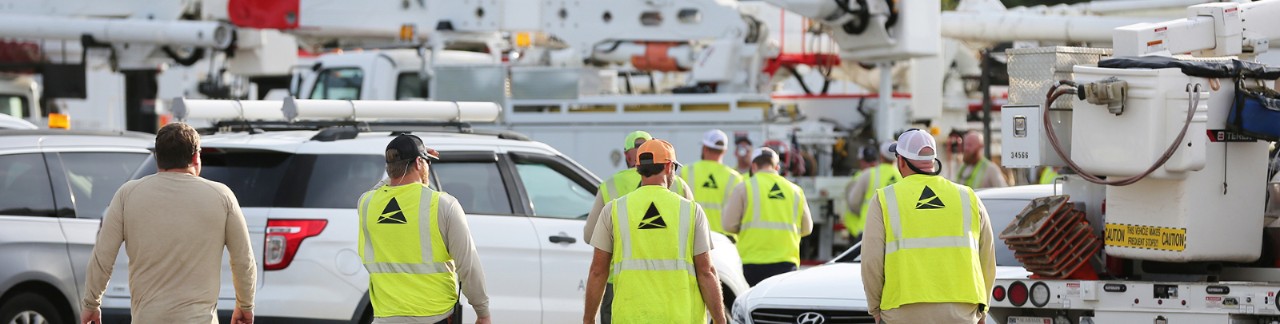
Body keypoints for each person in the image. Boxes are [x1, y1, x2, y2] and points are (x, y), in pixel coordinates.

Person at [80, 122, 256, 324]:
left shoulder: (127, 195)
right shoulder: (222, 196)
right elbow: (244, 261)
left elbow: (103, 257)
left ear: (157, 158)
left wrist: (91, 304)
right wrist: (245, 306)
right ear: (195, 157)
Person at [583, 139, 726, 324]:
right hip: (681, 317)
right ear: (668, 167)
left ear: (638, 168)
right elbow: (706, 272)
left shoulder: (614, 210)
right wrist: (720, 319)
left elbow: (597, 271)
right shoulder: (690, 211)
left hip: (630, 317)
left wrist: (588, 319)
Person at [861, 129, 996, 324]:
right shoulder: (968, 197)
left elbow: (871, 262)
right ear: (933, 160)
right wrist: (983, 308)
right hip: (961, 313)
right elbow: (988, 260)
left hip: (903, 313)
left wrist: (875, 308)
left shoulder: (885, 199)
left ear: (901, 161)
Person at [357, 134, 490, 324]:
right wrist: (482, 312)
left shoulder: (366, 204)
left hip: (384, 317)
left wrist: (398, 165)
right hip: (434, 316)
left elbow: (380, 187)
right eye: (426, 162)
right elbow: (468, 265)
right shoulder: (443, 204)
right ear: (419, 163)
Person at [722, 147, 813, 286]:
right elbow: (807, 228)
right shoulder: (795, 191)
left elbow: (728, 225)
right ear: (777, 167)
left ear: (753, 166)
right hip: (787, 263)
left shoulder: (744, 187)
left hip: (752, 263)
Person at [681, 129, 745, 241]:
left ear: (704, 148)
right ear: (724, 151)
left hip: (694, 237)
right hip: (725, 240)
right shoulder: (735, 178)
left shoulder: (687, 171)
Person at [843, 142, 901, 242]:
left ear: (881, 156)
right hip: (895, 232)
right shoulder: (903, 176)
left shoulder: (868, 174)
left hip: (867, 229)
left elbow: (854, 202)